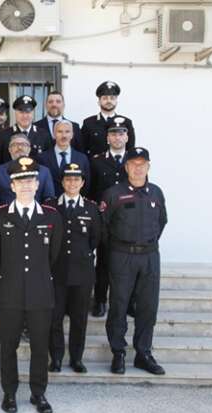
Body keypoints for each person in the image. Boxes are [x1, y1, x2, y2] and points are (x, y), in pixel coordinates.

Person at [0, 156, 62, 413]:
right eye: (21, 180)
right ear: (12, 185)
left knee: (40, 346)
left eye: (30, 179)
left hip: (41, 292)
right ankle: (9, 393)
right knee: (8, 346)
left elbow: (54, 256)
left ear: (37, 182)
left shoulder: (52, 216)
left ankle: (38, 393)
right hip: (10, 293)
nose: (26, 185)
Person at [102, 147, 167, 376]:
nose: (138, 168)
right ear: (126, 166)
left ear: (148, 166)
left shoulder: (156, 193)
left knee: (148, 307)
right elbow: (104, 226)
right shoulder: (114, 193)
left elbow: (162, 222)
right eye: (133, 164)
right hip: (122, 256)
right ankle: (118, 352)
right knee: (119, 305)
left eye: (142, 164)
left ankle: (143, 353)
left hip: (149, 256)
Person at [44, 163, 101, 374]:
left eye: (76, 179)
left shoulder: (91, 208)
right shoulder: (51, 206)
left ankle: (77, 358)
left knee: (79, 319)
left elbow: (95, 239)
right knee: (54, 318)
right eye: (68, 179)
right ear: (62, 182)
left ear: (83, 183)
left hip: (82, 273)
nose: (72, 183)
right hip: (56, 272)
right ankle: (56, 358)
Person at [89, 121, 129, 317]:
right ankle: (100, 300)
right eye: (113, 134)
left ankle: (128, 301)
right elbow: (91, 190)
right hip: (104, 219)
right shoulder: (96, 161)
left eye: (121, 134)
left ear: (127, 137)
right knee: (103, 261)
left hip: (128, 220)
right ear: (107, 138)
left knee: (127, 263)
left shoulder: (133, 160)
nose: (117, 137)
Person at [0, 133, 55, 211]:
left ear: (29, 149)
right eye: (14, 144)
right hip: (6, 220)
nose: (19, 147)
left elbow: (49, 201)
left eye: (24, 144)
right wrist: (2, 219)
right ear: (9, 150)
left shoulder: (44, 171)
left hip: (37, 219)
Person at [37, 120, 91, 197]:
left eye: (67, 132)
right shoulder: (42, 158)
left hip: (74, 204)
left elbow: (86, 184)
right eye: (60, 132)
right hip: (50, 203)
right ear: (54, 134)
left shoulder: (82, 158)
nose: (64, 136)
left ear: (72, 135)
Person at [81, 81, 136, 157]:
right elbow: (82, 150)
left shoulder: (126, 122)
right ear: (99, 102)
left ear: (116, 101)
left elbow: (130, 150)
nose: (109, 101)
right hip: (95, 167)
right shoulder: (88, 123)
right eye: (105, 98)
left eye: (112, 98)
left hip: (120, 167)